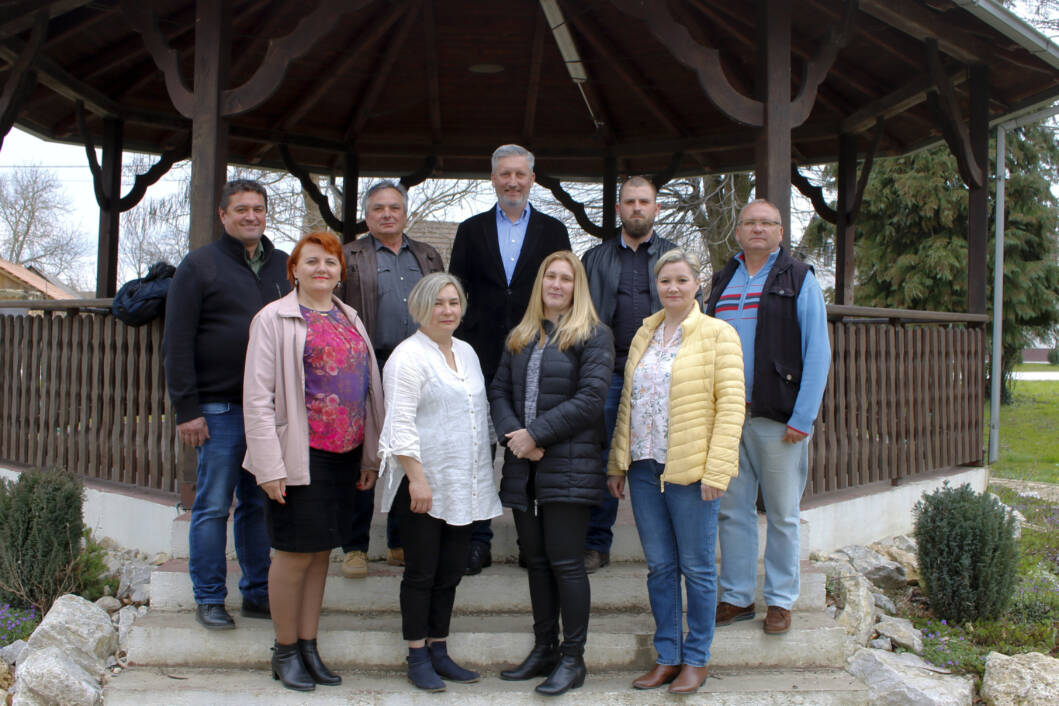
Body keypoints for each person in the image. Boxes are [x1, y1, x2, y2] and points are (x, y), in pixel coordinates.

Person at [242, 231, 384, 691]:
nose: (322, 269)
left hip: (345, 455)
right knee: (293, 552)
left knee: (321, 552)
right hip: (298, 455)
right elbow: (258, 398)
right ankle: (284, 649)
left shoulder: (350, 318)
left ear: (341, 272)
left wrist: (369, 456)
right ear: (294, 270)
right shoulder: (275, 319)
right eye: (312, 262)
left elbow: (368, 390)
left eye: (330, 262)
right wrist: (268, 465)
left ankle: (308, 645)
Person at [607, 249, 744, 694]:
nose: (673, 288)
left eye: (682, 280)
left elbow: (730, 410)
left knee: (698, 568)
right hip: (645, 468)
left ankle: (697, 657)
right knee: (660, 568)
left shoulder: (718, 334)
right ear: (656, 285)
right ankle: (668, 655)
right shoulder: (644, 334)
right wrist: (618, 463)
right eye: (665, 280)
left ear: (696, 284)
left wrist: (717, 471)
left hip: (691, 470)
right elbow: (628, 404)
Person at [163, 179, 290, 630]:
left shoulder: (283, 266)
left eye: (258, 208)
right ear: (223, 215)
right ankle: (210, 597)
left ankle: (257, 592)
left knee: (259, 505)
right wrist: (187, 408)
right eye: (241, 209)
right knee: (214, 504)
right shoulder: (198, 267)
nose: (251, 216)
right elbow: (176, 341)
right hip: (217, 409)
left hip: (269, 411)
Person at [489, 252, 614, 696]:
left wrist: (536, 434)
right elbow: (499, 391)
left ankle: (572, 659)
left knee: (565, 563)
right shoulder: (521, 336)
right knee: (537, 563)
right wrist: (515, 437)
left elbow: (590, 398)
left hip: (570, 465)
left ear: (577, 286)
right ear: (540, 283)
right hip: (524, 468)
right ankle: (544, 648)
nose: (557, 284)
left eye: (566, 278)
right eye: (550, 277)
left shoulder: (594, 335)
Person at [707, 198, 831, 636]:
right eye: (750, 223)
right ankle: (737, 597)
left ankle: (780, 600)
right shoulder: (723, 279)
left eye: (767, 223)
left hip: (778, 418)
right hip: (727, 418)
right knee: (732, 511)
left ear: (781, 232)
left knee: (782, 513)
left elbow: (818, 350)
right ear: (738, 232)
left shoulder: (799, 278)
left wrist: (804, 416)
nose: (758, 229)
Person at [377, 272, 503, 692]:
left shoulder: (466, 352)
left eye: (453, 302)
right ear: (420, 308)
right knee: (422, 572)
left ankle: (439, 648)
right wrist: (416, 479)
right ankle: (416, 653)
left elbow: (476, 415)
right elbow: (399, 424)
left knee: (451, 570)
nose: (447, 310)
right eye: (438, 303)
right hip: (424, 484)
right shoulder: (407, 357)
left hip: (461, 482)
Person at [449, 143, 571, 574]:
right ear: (494, 178)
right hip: (479, 355)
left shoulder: (554, 231)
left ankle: (530, 542)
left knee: (532, 447)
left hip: (536, 354)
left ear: (532, 179)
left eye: (520, 174)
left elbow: (565, 291)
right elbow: (456, 294)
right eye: (505, 174)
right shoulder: (470, 229)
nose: (513, 182)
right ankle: (477, 539)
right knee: (478, 451)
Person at [338, 180, 444, 578]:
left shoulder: (428, 256)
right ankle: (354, 546)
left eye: (394, 208)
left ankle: (400, 541)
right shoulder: (349, 255)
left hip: (418, 364)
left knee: (409, 450)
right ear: (367, 214)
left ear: (404, 213)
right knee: (364, 454)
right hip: (367, 364)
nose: (387, 214)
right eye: (378, 208)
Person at [580, 175, 682, 573]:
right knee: (602, 457)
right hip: (609, 372)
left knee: (660, 456)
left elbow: (693, 313)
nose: (637, 208)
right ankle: (594, 542)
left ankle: (666, 543)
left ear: (656, 208)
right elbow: (581, 317)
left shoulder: (675, 258)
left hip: (661, 373)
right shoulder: (595, 258)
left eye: (644, 202)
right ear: (619, 209)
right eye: (629, 202)